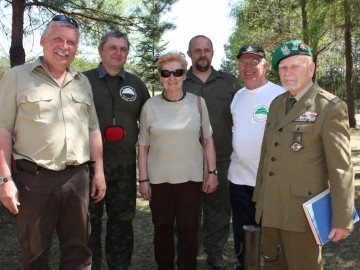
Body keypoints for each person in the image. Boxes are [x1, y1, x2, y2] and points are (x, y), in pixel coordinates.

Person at [0, 15, 106, 270]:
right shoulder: (16, 77)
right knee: (34, 255)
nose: (64, 46)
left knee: (78, 253)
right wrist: (5, 180)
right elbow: (2, 129)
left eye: (71, 42)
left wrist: (99, 172)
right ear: (42, 40)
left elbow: (93, 129)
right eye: (58, 39)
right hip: (35, 181)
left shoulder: (83, 82)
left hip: (77, 179)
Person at [253, 40, 355, 270]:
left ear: (311, 69)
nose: (288, 73)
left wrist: (342, 218)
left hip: (302, 214)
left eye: (295, 66)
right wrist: (259, 201)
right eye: (283, 68)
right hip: (271, 207)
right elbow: (266, 155)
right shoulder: (277, 104)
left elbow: (341, 168)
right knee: (273, 266)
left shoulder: (330, 107)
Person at [138, 51, 218, 270]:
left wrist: (212, 173)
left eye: (177, 72)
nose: (172, 77)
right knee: (162, 228)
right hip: (159, 180)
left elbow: (208, 140)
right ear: (160, 76)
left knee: (189, 229)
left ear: (185, 75)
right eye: (166, 72)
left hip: (190, 179)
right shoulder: (149, 106)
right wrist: (143, 179)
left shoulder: (198, 103)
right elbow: (143, 146)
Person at [83, 30, 150, 270]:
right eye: (112, 47)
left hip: (124, 167)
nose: (118, 53)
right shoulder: (82, 81)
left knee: (121, 223)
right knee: (89, 224)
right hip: (88, 167)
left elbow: (150, 125)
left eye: (123, 49)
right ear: (101, 50)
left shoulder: (136, 84)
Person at [183, 35, 241, 270]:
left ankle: (214, 253)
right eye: (197, 50)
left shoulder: (229, 82)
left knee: (218, 209)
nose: (202, 54)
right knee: (188, 209)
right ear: (190, 54)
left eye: (206, 50)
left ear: (213, 52)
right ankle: (188, 251)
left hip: (223, 156)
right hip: (187, 158)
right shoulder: (180, 81)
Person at [228, 45, 284, 270]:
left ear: (265, 65)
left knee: (271, 234)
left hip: (269, 182)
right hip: (239, 179)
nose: (248, 67)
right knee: (242, 232)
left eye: (254, 61)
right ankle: (245, 265)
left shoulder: (280, 94)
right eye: (243, 62)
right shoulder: (238, 96)